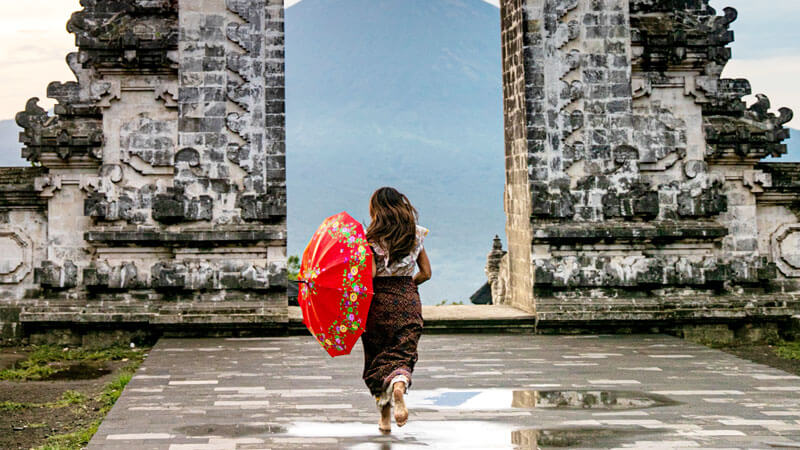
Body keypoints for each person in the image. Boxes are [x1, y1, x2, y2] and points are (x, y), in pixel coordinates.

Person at [362, 187, 431, 434]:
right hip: (408, 299)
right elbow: (426, 273)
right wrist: (408, 286)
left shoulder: (370, 239)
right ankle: (399, 385)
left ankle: (384, 419)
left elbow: (369, 275)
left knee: (378, 357)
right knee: (402, 354)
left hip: (378, 303)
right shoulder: (416, 235)